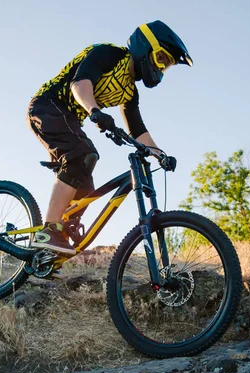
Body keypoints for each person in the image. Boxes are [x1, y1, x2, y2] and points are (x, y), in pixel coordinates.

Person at [26, 20, 193, 255]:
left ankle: (48, 251)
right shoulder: (109, 54)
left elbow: (137, 129)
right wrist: (95, 111)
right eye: (162, 59)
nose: (161, 68)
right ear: (145, 47)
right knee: (83, 153)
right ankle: (48, 231)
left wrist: (160, 155)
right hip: (47, 106)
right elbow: (80, 83)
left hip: (69, 119)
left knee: (85, 186)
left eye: (166, 66)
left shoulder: (129, 91)